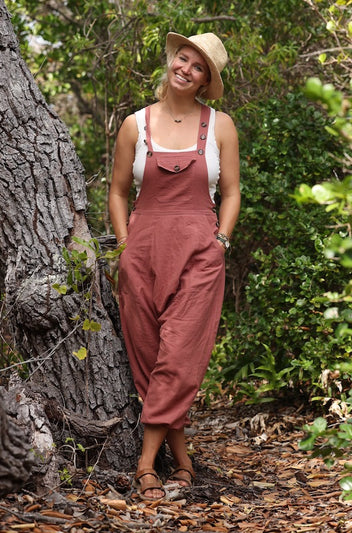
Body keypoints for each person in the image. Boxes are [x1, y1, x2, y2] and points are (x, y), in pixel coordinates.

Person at [108, 31, 240, 501]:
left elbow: (231, 192)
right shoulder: (133, 124)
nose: (186, 68)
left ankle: (146, 466)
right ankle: (181, 459)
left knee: (181, 357)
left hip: (200, 253)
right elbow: (119, 191)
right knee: (151, 358)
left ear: (207, 80)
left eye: (199, 66)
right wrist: (125, 247)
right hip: (141, 253)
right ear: (172, 61)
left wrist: (221, 240)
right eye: (183, 58)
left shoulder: (220, 125)